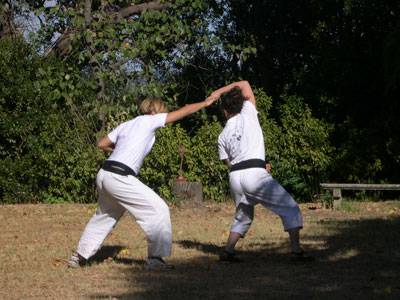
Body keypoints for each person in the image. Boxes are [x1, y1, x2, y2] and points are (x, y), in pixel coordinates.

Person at [68, 95, 218, 270]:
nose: (164, 115)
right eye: (162, 111)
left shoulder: (127, 124)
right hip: (119, 176)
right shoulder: (149, 121)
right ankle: (156, 260)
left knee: (104, 216)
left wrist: (121, 149)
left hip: (104, 174)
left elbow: (102, 144)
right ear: (153, 110)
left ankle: (78, 257)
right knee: (159, 209)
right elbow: (183, 112)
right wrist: (204, 103)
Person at [211, 81, 313, 262]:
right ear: (241, 104)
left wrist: (253, 164)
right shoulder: (248, 112)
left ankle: (228, 252)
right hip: (254, 175)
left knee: (243, 216)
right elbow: (244, 83)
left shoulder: (222, 135)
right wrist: (219, 91)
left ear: (225, 112)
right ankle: (297, 252)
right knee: (290, 209)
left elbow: (229, 163)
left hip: (235, 177)